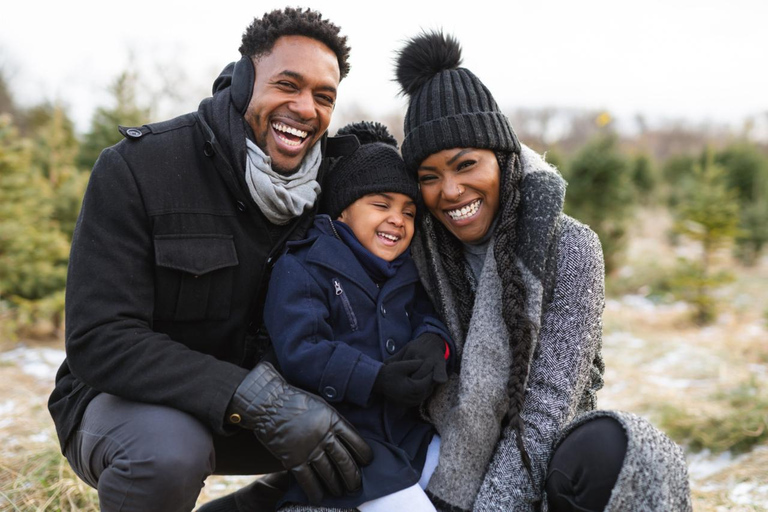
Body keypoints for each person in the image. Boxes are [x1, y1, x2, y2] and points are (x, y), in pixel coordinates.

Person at [47, 8, 375, 512]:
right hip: (129, 407)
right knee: (167, 453)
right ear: (244, 80)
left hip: (279, 412)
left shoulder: (336, 186)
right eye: (288, 85)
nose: (305, 108)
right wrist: (256, 397)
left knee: (385, 430)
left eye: (323, 96)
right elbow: (99, 339)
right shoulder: (139, 167)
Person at [389, 31, 694, 512]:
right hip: (436, 456)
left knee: (615, 449)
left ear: (502, 159)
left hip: (542, 458)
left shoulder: (571, 248)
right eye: (429, 176)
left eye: (465, 164)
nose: (449, 191)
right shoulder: (416, 250)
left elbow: (547, 409)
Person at [262, 121, 454, 511]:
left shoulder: (407, 270)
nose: (397, 220)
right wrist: (376, 378)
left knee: (467, 488)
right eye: (380, 205)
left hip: (408, 436)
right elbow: (302, 351)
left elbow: (429, 317)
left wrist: (435, 344)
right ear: (343, 212)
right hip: (345, 442)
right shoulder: (303, 266)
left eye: (409, 211)